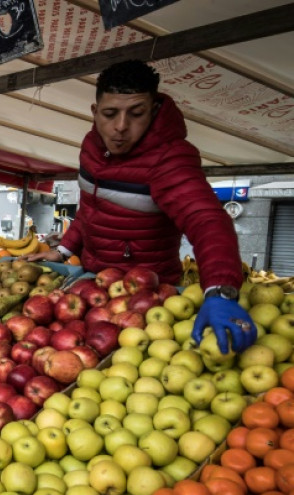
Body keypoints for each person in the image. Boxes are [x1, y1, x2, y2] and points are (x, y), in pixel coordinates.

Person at [25, 60, 255, 355]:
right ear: (95, 113)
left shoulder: (170, 159)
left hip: (145, 297)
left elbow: (206, 220)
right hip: (94, 284)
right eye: (110, 114)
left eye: (136, 114)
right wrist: (65, 250)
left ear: (154, 110)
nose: (121, 127)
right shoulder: (92, 146)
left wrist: (221, 291)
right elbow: (92, 208)